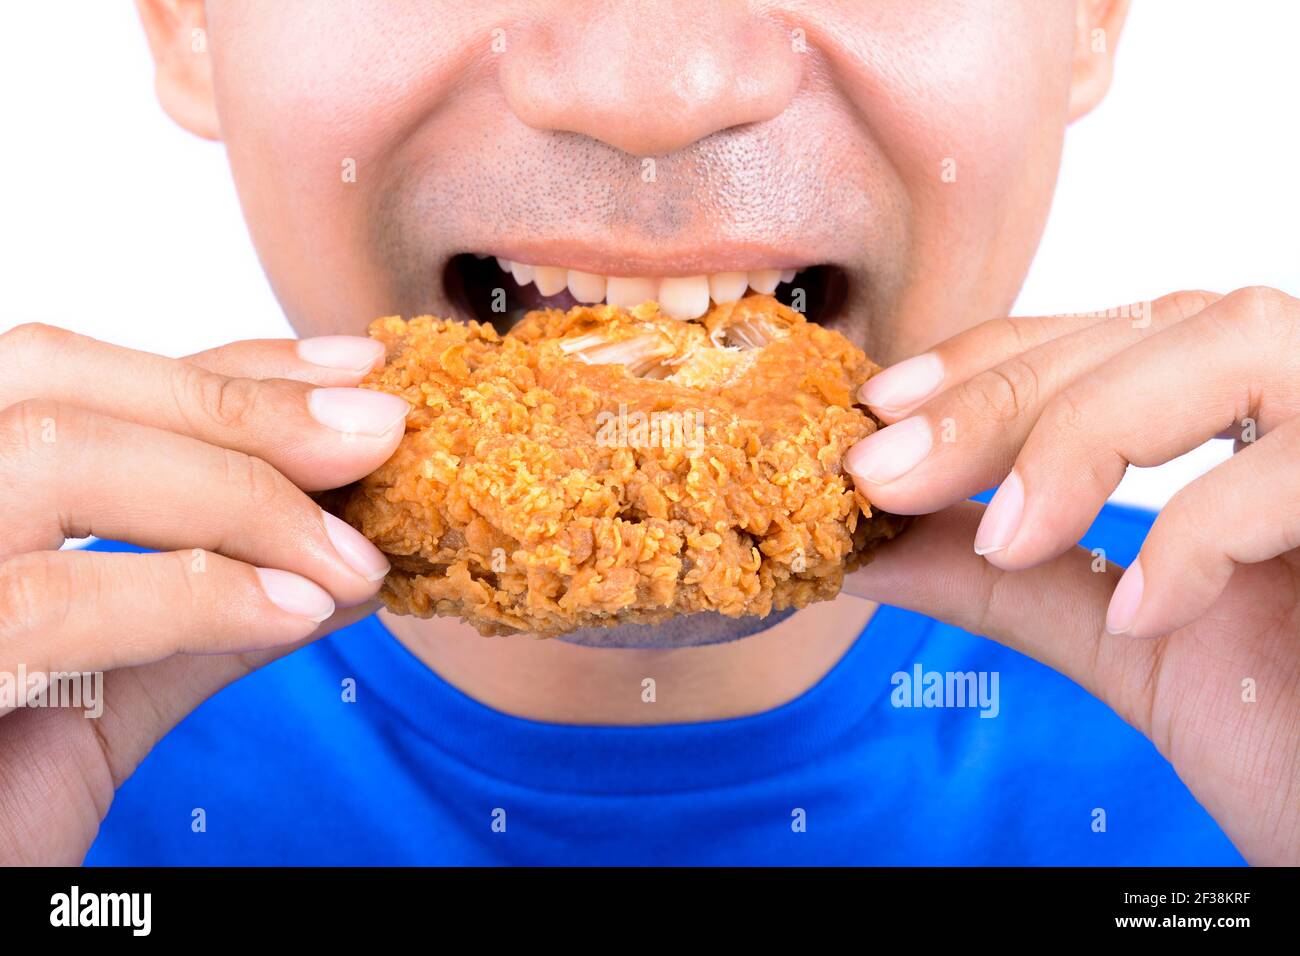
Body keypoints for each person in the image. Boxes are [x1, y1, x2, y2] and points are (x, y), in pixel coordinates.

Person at [0, 0, 1294, 865]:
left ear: (1090, 15)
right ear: (187, 23)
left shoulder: (1252, 665)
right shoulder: (39, 719)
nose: (650, 91)